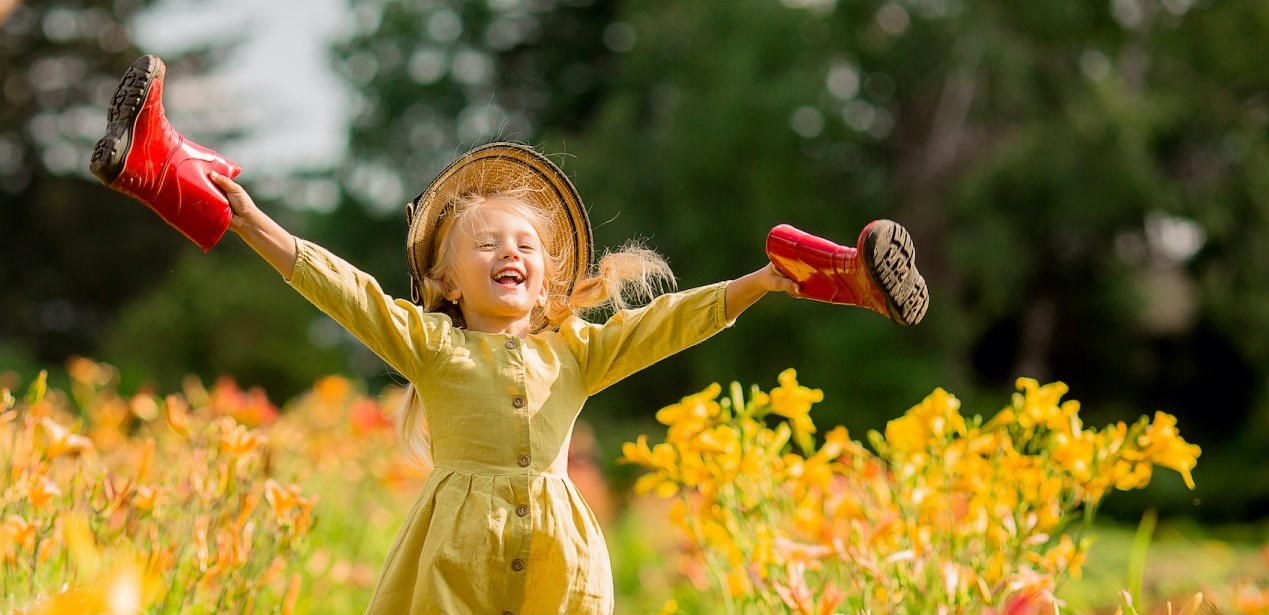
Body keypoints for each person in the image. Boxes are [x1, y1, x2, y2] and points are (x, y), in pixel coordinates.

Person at [94, 55, 928, 614]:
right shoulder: (431, 343)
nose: (510, 253)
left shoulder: (578, 351)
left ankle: (834, 275)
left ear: (550, 276)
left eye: (526, 244)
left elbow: (666, 324)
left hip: (559, 563)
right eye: (486, 243)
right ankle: (180, 178)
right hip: (457, 557)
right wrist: (254, 221)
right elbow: (343, 290)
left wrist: (761, 282)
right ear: (448, 280)